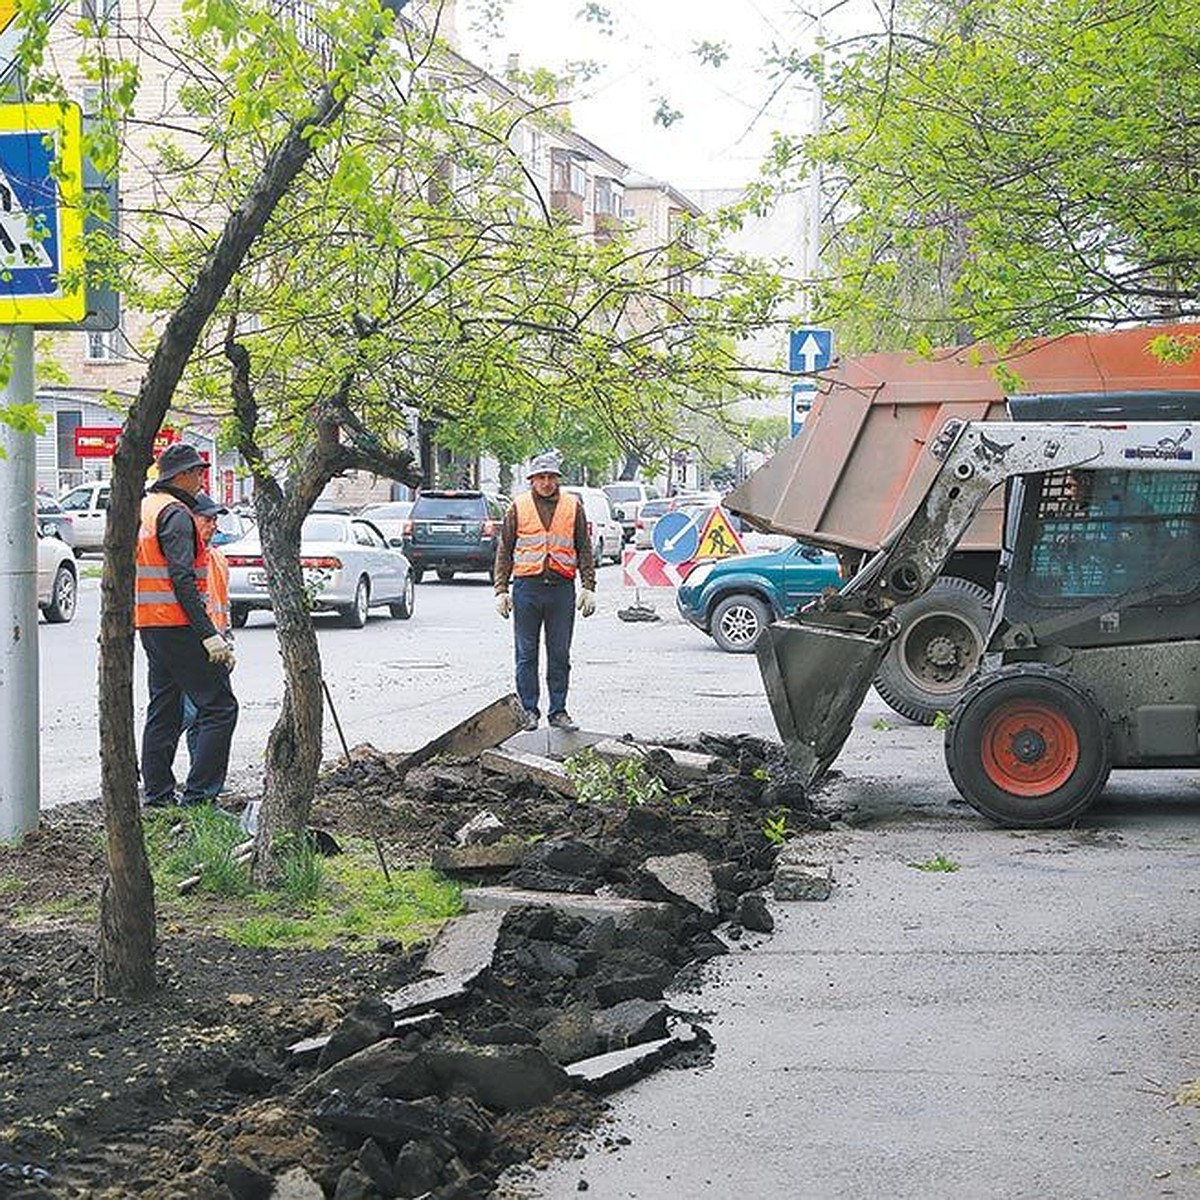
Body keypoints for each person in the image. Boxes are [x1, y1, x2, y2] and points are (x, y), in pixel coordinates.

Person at [136, 444, 238, 807]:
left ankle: (159, 797)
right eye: (197, 472)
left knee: (163, 709)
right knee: (220, 707)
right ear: (179, 476)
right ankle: (199, 799)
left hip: (150, 624)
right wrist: (209, 635)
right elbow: (181, 578)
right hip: (178, 623)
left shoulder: (144, 508)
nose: (201, 479)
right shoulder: (176, 513)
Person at [494, 452, 595, 732]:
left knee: (559, 653)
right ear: (532, 480)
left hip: (561, 590)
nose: (547, 482)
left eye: (551, 477)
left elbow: (584, 547)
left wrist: (588, 585)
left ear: (557, 479)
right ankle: (529, 710)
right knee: (526, 653)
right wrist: (501, 589)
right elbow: (505, 549)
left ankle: (558, 711)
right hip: (528, 589)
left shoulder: (573, 506)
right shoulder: (518, 506)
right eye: (541, 477)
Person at [181, 492, 233, 794]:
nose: (213, 525)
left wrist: (226, 642)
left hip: (215, 647)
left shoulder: (216, 558)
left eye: (215, 520)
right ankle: (159, 780)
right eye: (207, 519)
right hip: (191, 647)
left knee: (202, 717)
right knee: (187, 715)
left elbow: (221, 605)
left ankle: (199, 779)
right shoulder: (184, 555)